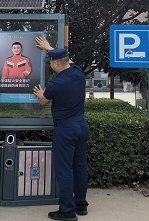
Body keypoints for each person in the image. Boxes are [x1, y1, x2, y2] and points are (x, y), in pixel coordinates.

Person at [33, 36, 89, 221]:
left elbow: (43, 102)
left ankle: (67, 211)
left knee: (64, 169)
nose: (50, 65)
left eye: (51, 62)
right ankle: (81, 204)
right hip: (81, 127)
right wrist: (49, 47)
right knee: (80, 166)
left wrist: (40, 93)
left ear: (57, 63)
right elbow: (68, 60)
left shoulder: (56, 83)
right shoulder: (78, 73)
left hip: (65, 130)